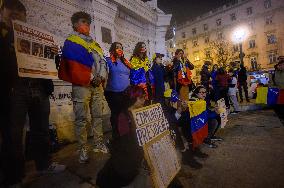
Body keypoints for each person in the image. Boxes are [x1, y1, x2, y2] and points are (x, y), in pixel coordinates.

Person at [0, 0, 65, 187]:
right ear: (3, 12)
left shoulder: (36, 36)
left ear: (26, 16)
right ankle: (14, 177)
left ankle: (44, 165)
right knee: (13, 134)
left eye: (20, 12)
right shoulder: (2, 34)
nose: (16, 14)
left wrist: (54, 54)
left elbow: (53, 64)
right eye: (11, 11)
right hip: (14, 90)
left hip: (39, 88)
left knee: (41, 129)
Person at [58, 11, 108, 164]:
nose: (86, 25)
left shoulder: (95, 44)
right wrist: (91, 77)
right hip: (82, 85)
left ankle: (98, 143)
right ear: (74, 24)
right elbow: (74, 65)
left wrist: (101, 76)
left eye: (87, 23)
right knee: (81, 118)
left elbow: (103, 62)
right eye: (82, 22)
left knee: (97, 116)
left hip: (97, 85)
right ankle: (83, 149)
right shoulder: (71, 41)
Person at [96, 86, 146, 188]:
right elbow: (127, 144)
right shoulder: (123, 117)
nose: (145, 100)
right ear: (133, 98)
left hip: (132, 159)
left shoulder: (139, 113)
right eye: (141, 97)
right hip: (124, 164)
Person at [104, 42, 131, 139]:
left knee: (125, 113)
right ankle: (116, 136)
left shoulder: (126, 62)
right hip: (113, 92)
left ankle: (125, 134)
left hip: (126, 92)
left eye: (121, 47)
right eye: (117, 47)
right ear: (112, 49)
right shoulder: (108, 60)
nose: (119, 49)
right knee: (116, 114)